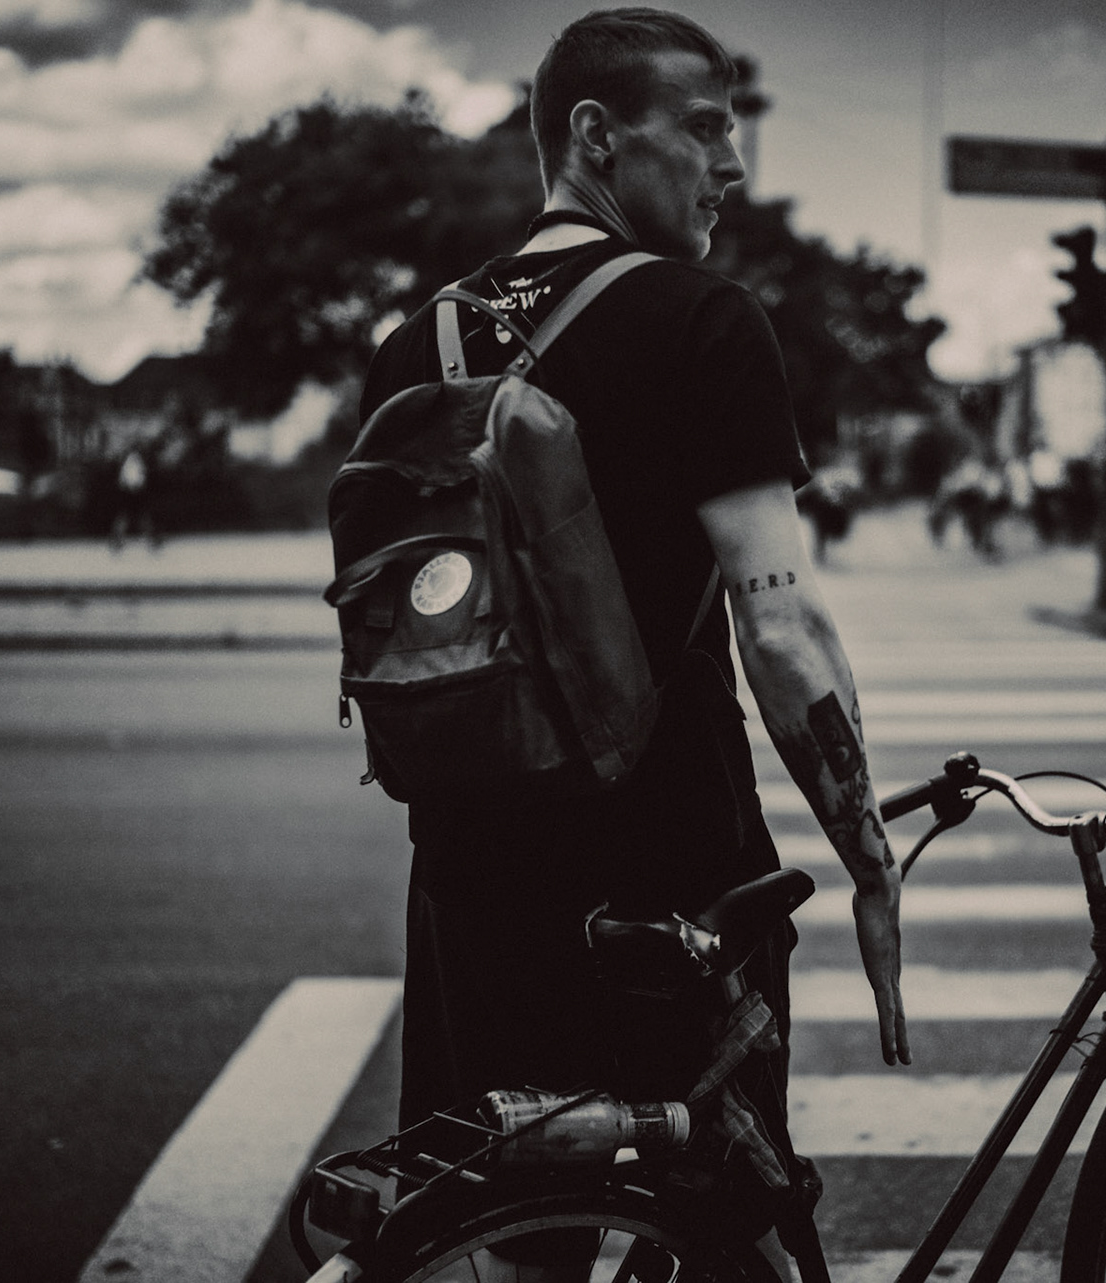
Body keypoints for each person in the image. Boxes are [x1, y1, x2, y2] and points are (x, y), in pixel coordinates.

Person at [355, 8, 907, 1274]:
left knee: (516, 1227)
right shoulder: (704, 321)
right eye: (706, 129)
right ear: (598, 137)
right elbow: (782, 627)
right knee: (732, 1228)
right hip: (674, 878)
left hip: (471, 878)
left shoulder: (414, 342)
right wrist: (868, 855)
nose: (733, 167)